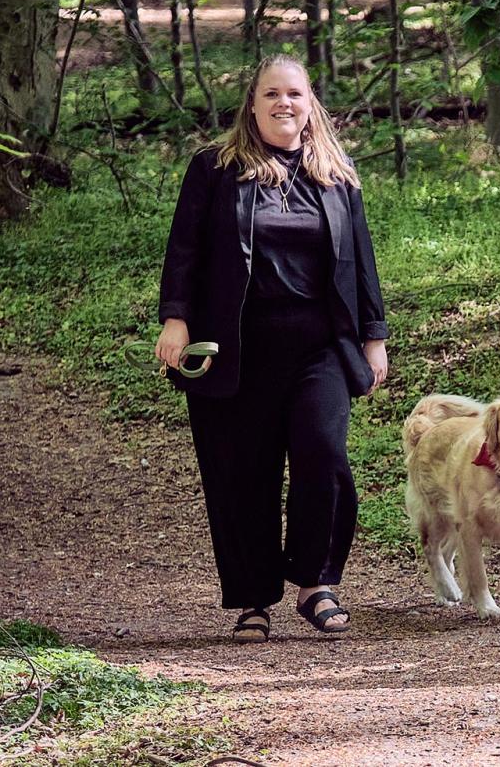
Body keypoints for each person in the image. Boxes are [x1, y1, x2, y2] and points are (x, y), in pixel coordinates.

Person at [154, 54, 388, 639]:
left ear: (312, 105)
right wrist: (175, 320)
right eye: (271, 95)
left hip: (319, 348)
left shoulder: (335, 173)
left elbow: (361, 260)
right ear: (252, 105)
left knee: (324, 454)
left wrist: (374, 336)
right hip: (234, 348)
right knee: (241, 473)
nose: (284, 104)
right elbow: (184, 248)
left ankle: (316, 583)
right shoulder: (214, 167)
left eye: (295, 94)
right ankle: (254, 597)